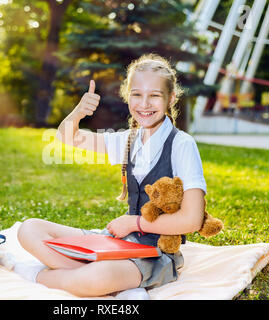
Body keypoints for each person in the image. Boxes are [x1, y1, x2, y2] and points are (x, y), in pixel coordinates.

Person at [14, 54, 207, 298]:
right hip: (119, 241)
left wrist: (134, 222)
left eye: (154, 95)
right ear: (128, 96)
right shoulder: (128, 140)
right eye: (137, 94)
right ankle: (108, 281)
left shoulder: (182, 144)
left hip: (157, 252)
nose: (144, 104)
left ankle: (40, 275)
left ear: (171, 98)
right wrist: (78, 112)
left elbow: (192, 219)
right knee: (29, 229)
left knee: (97, 277)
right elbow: (67, 137)